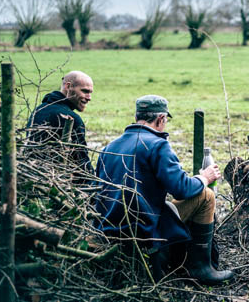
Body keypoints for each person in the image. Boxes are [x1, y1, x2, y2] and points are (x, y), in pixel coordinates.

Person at [94, 95, 234, 285]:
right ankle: (201, 268)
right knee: (206, 195)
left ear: (137, 117)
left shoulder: (109, 147)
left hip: (108, 228)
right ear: (161, 119)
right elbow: (181, 189)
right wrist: (204, 177)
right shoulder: (157, 144)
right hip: (143, 229)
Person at [28, 71, 94, 179]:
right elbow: (82, 166)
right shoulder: (71, 118)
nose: (89, 97)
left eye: (90, 93)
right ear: (68, 86)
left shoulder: (38, 111)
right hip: (57, 182)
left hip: (33, 177)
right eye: (85, 91)